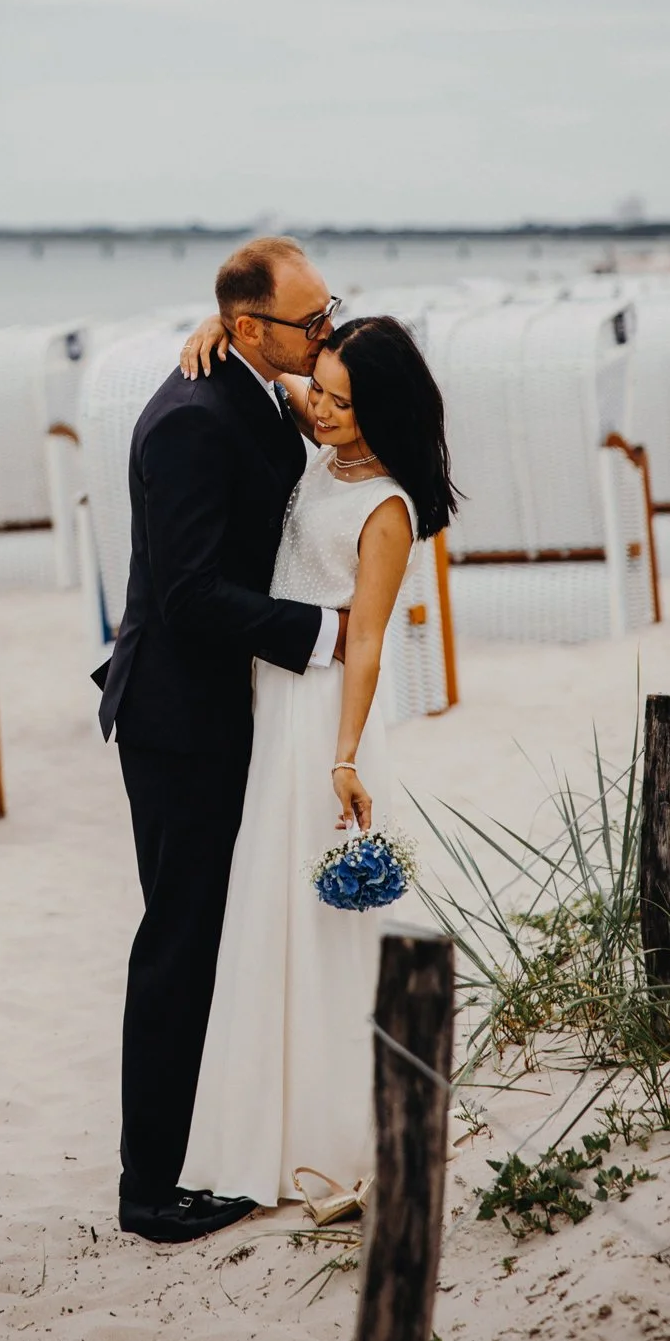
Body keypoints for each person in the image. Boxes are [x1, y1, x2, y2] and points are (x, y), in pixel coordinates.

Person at [94, 236, 348, 1244]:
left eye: (331, 310)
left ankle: (200, 1146)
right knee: (179, 939)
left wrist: (252, 354)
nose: (325, 331)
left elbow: (287, 411)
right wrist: (320, 633)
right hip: (175, 716)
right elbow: (190, 593)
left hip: (221, 706)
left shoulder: (242, 379)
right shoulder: (191, 419)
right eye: (311, 320)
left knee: (214, 933)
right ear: (250, 326)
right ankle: (148, 1188)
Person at [178, 312, 458, 1207]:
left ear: (385, 407)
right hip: (276, 698)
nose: (323, 409)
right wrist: (208, 326)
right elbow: (271, 362)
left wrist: (344, 756)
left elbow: (369, 643)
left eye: (343, 400)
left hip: (326, 716)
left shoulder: (388, 506)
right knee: (269, 906)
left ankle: (338, 1131)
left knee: (317, 915)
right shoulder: (328, 436)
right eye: (324, 392)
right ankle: (274, 1117)